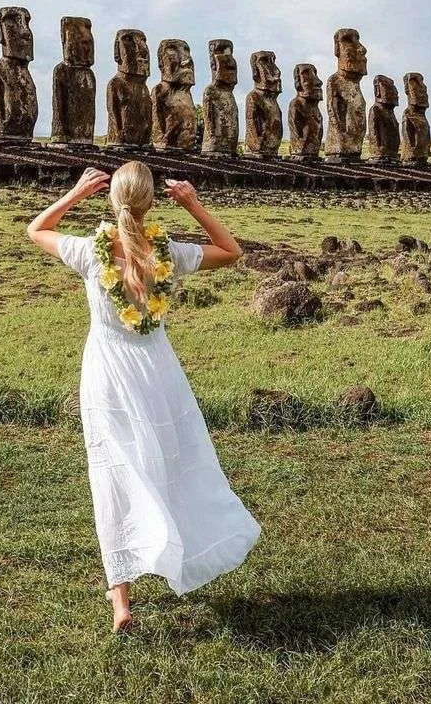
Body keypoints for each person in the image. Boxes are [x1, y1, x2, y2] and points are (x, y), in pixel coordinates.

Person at [27, 161, 261, 633]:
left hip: (108, 374)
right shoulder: (167, 253)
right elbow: (231, 251)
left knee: (113, 472)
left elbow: (36, 229)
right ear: (152, 202)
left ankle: (121, 602)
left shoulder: (91, 253)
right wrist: (194, 204)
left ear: (111, 201)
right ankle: (169, 546)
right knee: (169, 461)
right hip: (158, 371)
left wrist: (74, 193)